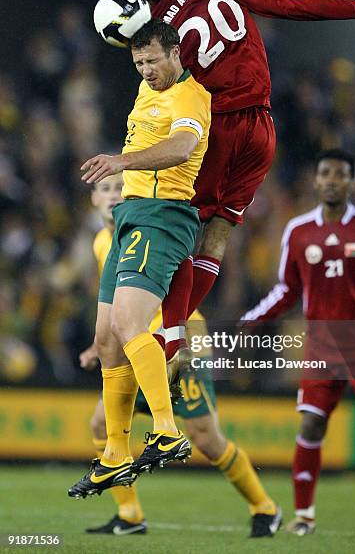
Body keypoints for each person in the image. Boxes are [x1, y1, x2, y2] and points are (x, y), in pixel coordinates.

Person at [110, 0, 355, 346]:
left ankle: (169, 340)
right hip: (262, 130)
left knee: (187, 227)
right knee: (218, 235)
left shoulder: (160, 36)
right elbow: (292, 4)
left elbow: (163, 95)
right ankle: (173, 334)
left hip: (217, 128)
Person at [241, 149, 355, 538]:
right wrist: (251, 320)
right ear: (315, 180)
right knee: (310, 424)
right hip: (320, 347)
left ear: (351, 182)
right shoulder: (298, 231)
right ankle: (304, 516)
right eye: (324, 172)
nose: (331, 180)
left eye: (340, 174)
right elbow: (286, 289)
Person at [80, 174, 282, 538]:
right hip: (137, 347)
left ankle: (265, 507)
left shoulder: (154, 230)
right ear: (93, 200)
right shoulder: (102, 243)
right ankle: (130, 514)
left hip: (179, 341)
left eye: (118, 189)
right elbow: (114, 305)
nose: (112, 196)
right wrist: (101, 343)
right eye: (105, 190)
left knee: (206, 438)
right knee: (100, 423)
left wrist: (177, 333)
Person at [68, 18, 211, 498]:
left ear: (175, 53)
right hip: (130, 214)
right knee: (107, 340)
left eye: (153, 59)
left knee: (131, 327)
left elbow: (184, 145)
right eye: (139, 62)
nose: (147, 69)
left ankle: (168, 431)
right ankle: (114, 454)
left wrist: (122, 161)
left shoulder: (191, 97)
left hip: (162, 215)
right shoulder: (147, 87)